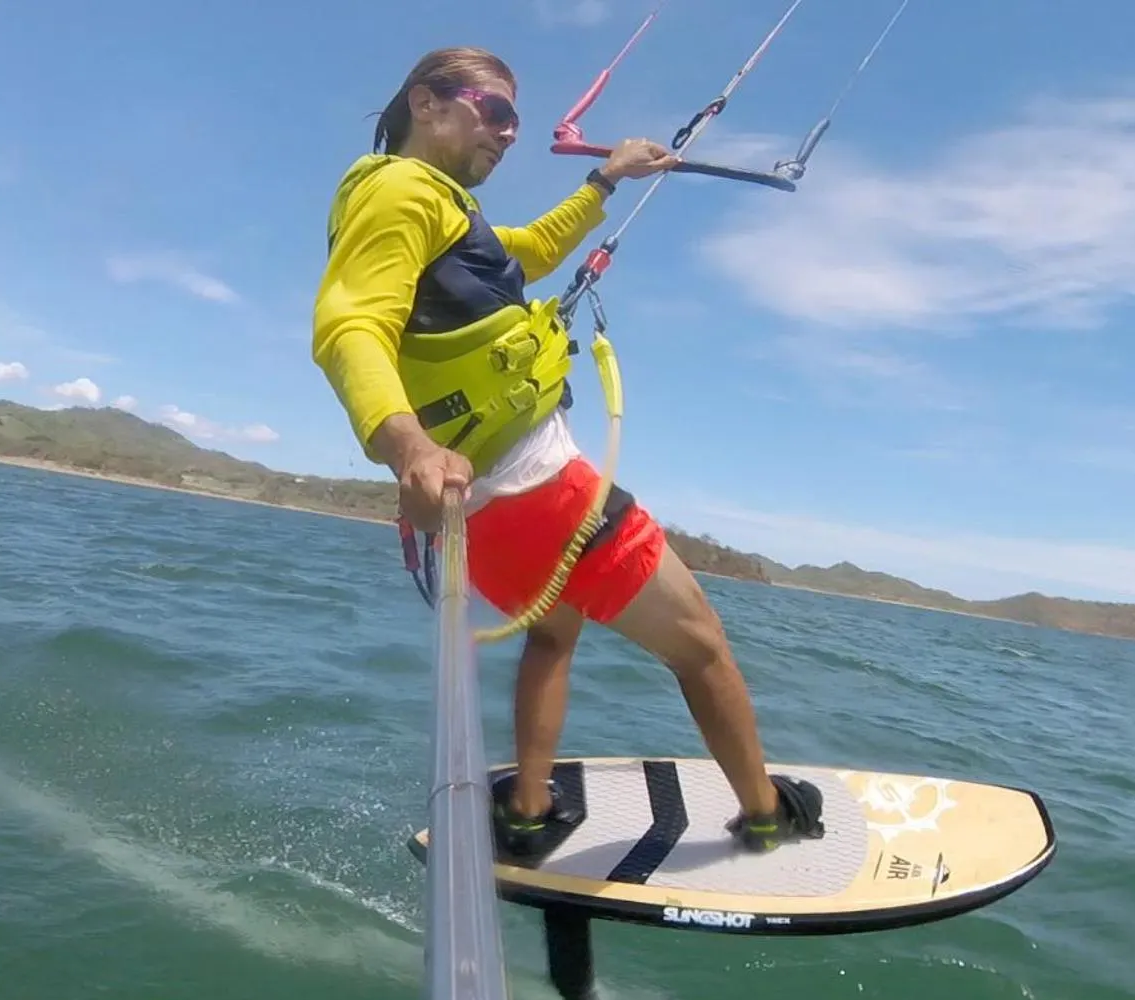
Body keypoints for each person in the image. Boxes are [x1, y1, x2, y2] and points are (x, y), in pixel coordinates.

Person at [311, 45, 823, 861]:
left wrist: (605, 180)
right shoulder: (401, 191)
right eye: (496, 111)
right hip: (540, 490)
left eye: (516, 118)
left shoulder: (442, 210)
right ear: (426, 102)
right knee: (702, 649)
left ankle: (526, 806)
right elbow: (349, 324)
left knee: (553, 636)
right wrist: (405, 441)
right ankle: (766, 815)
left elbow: (530, 251)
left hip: (481, 518)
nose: (511, 133)